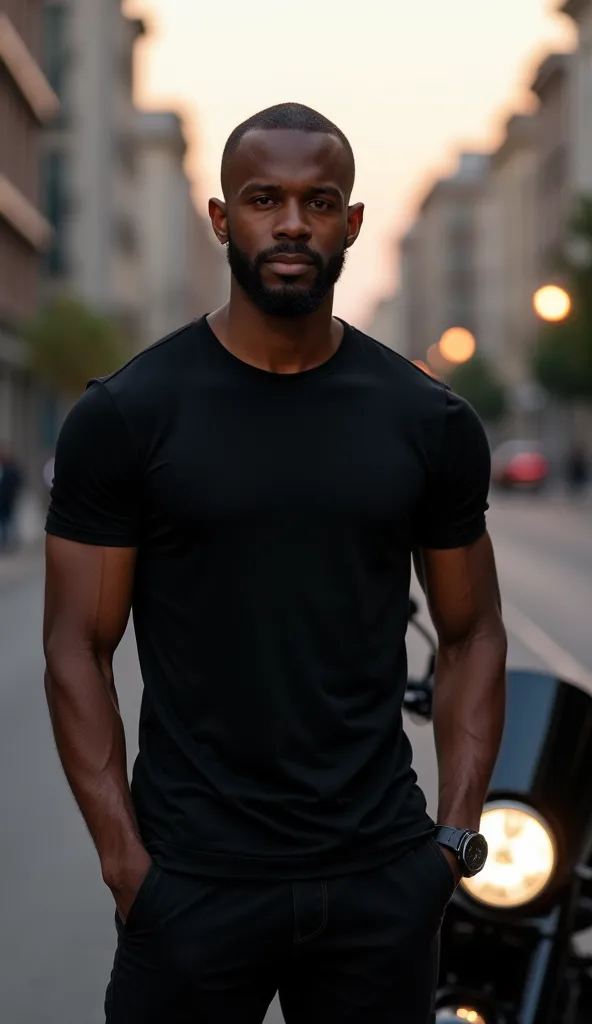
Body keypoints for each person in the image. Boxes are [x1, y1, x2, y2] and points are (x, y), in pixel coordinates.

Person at [43, 103, 507, 1024]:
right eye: (264, 199)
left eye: (318, 201)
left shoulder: (429, 422)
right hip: (193, 886)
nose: (292, 223)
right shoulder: (129, 415)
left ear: (351, 223)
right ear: (223, 218)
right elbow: (73, 651)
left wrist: (450, 843)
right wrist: (126, 866)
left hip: (380, 878)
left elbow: (472, 631)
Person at [0, 445, 23, 553]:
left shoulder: (12, 470)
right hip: (4, 501)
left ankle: (9, 543)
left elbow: (17, 484)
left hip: (7, 500)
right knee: (6, 522)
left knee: (8, 522)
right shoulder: (6, 469)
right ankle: (6, 543)